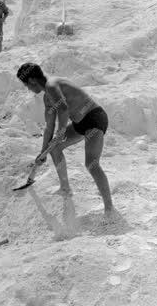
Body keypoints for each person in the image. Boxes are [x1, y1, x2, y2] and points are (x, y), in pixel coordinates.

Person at [16, 63, 115, 215]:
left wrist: (61, 131)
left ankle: (109, 208)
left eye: (26, 85)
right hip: (79, 123)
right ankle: (65, 188)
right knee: (54, 148)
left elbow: (63, 108)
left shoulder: (52, 85)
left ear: (32, 81)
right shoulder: (47, 99)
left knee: (91, 164)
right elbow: (49, 127)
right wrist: (42, 152)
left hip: (94, 118)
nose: (28, 89)